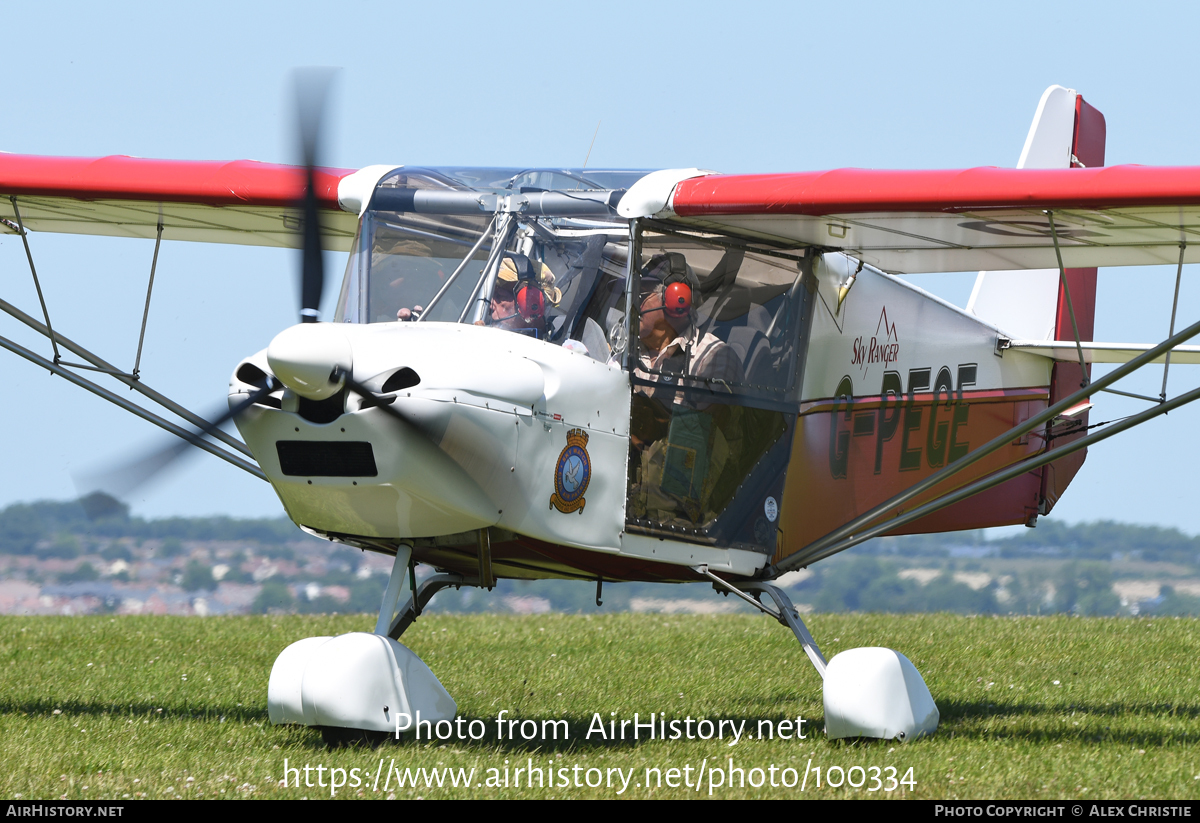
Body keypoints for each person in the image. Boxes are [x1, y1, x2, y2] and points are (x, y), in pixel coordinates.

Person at [476, 253, 561, 338]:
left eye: (499, 296)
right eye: (490, 296)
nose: (489, 306)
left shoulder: (564, 348)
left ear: (530, 304)